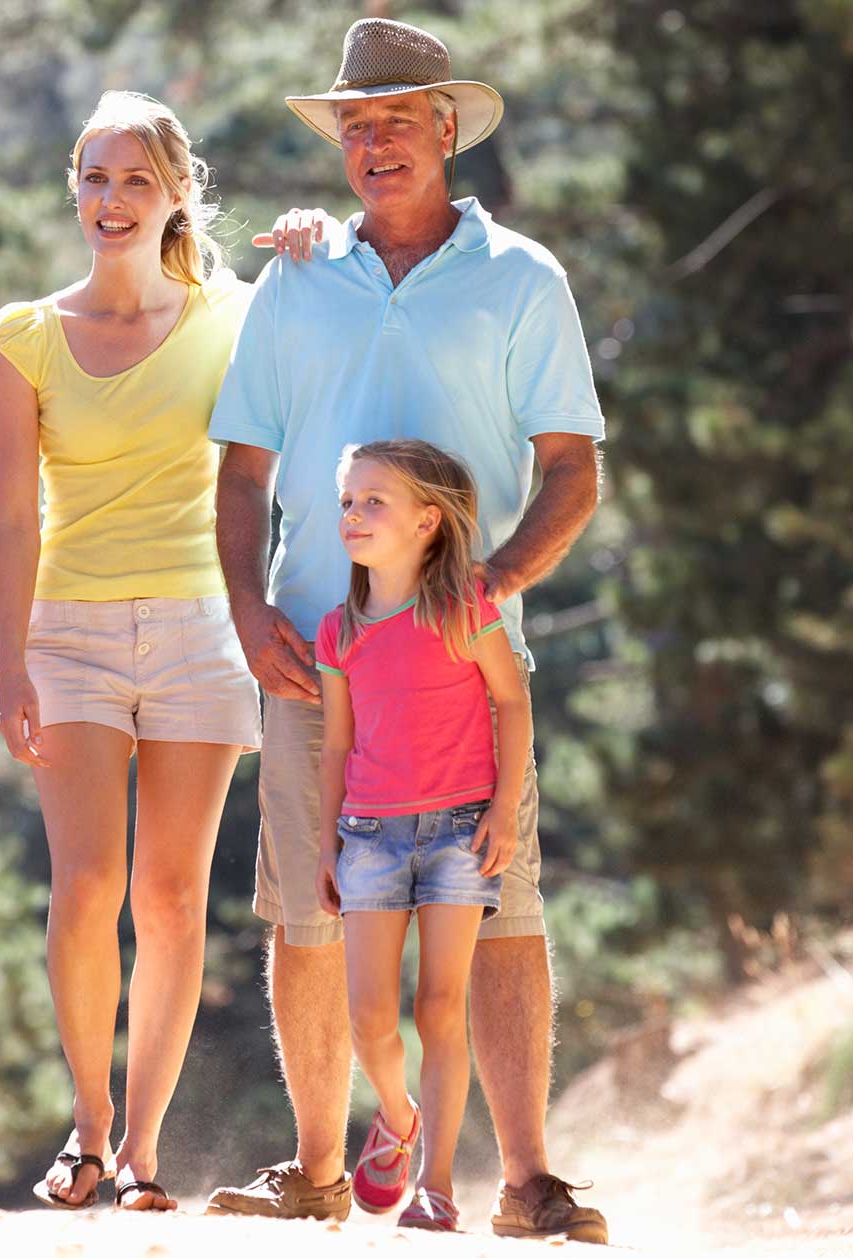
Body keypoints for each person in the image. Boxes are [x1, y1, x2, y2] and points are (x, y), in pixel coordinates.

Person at [204, 17, 609, 1244]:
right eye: (354, 124)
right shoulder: (297, 275)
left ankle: (527, 1181)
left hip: (464, 669)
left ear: (447, 128)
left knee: (500, 909)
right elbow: (237, 473)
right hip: (308, 659)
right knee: (308, 906)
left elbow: (572, 470)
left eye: (397, 119)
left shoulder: (521, 278)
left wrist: (487, 591)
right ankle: (321, 1167)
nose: (373, 142)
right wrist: (245, 606)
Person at [0, 91, 259, 1212]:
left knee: (173, 893)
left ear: (176, 193)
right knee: (88, 881)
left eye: (133, 181)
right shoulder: (24, 335)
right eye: (93, 180)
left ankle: (144, 1146)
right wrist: (10, 662)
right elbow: (13, 518)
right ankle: (87, 1125)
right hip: (73, 635)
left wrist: (303, 242)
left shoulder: (235, 315)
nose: (109, 202)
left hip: (201, 628)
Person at [313, 440, 529, 1231]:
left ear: (427, 522)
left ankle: (435, 1187)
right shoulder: (337, 633)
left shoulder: (466, 608)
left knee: (440, 1008)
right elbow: (336, 746)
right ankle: (398, 1119)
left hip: (460, 836)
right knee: (370, 1017)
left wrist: (505, 810)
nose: (353, 516)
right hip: (367, 838)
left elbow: (511, 704)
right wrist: (324, 847)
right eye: (348, 502)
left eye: (374, 502)